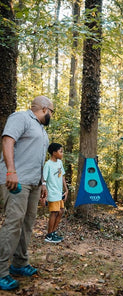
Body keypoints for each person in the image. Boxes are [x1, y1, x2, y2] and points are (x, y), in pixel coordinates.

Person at [0, 96, 53, 290]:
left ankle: (19, 264)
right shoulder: (20, 117)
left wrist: (43, 183)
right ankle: (1, 271)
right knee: (13, 223)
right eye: (52, 112)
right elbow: (7, 141)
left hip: (33, 182)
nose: (51, 116)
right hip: (17, 180)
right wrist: (11, 171)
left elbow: (37, 158)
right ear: (45, 109)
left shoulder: (40, 128)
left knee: (27, 223)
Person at [43, 143, 68, 244]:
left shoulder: (60, 163)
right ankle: (49, 235)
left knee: (61, 211)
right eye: (60, 151)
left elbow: (62, 176)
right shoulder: (48, 164)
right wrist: (43, 194)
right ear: (54, 153)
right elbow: (44, 179)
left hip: (59, 192)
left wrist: (66, 190)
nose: (62, 153)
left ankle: (53, 232)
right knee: (54, 212)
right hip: (52, 192)